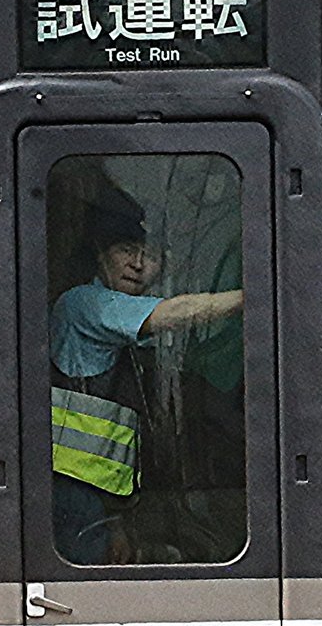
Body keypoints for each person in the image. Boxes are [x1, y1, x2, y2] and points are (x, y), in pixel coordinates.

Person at [50, 202, 243, 562]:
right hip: (67, 487)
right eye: (126, 251)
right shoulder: (84, 305)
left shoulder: (128, 332)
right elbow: (176, 313)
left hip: (102, 491)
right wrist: (255, 296)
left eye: (150, 256)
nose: (138, 264)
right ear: (100, 254)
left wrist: (117, 521)